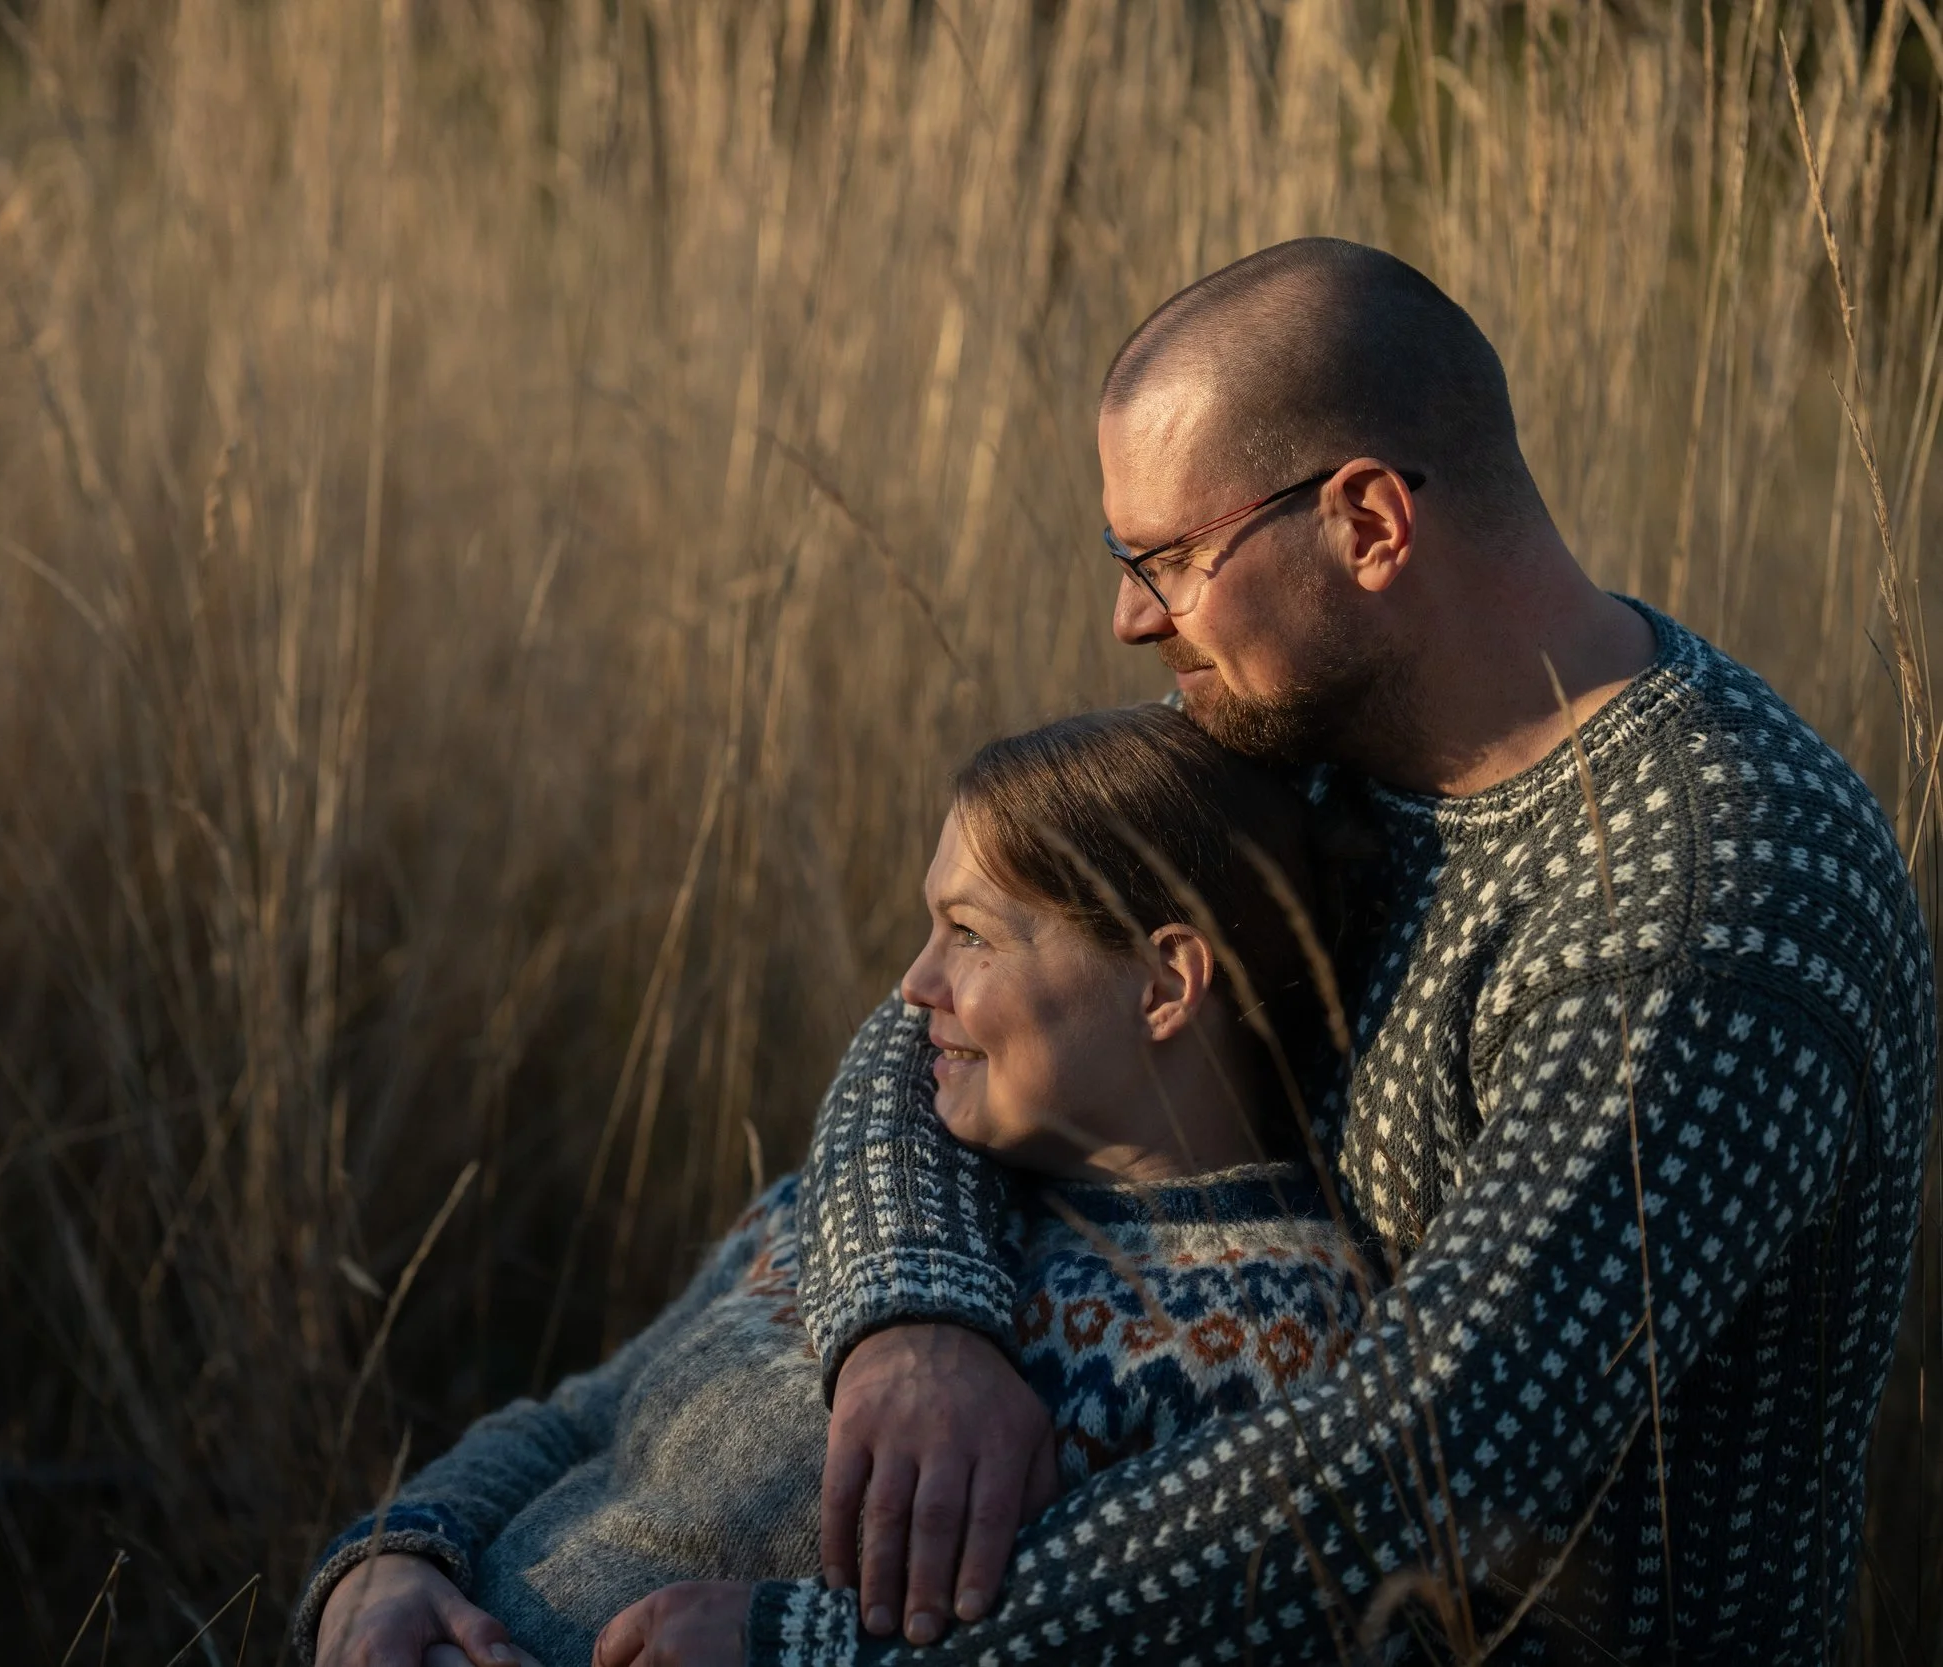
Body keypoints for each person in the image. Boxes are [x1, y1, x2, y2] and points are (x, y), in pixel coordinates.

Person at [601, 238, 1932, 1667]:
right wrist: (917, 1317)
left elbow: (1439, 1458)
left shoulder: (1712, 895)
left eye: (1166, 559)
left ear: (1367, 521)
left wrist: (835, 1651)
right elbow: (942, 1006)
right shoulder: (1303, 736)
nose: (1127, 616)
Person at [295, 707, 1371, 1667]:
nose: (914, 984)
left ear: (1163, 982)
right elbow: (586, 1416)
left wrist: (792, 1645)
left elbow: (1103, 1624)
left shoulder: (1261, 1336)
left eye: (970, 933)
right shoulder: (893, 1191)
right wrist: (392, 1561)